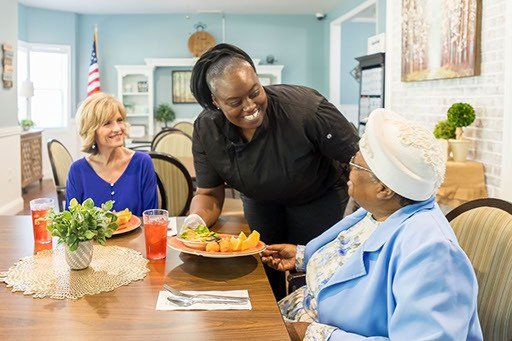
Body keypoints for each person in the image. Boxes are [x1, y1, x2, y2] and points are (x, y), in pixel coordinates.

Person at [261, 109, 483, 340]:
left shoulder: (433, 253)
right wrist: (303, 256)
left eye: (357, 166)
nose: (349, 169)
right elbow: (353, 253)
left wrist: (317, 335)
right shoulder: (382, 211)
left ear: (384, 189)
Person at [186, 43, 359, 299]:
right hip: (261, 200)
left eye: (254, 91)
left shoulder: (306, 109)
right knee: (264, 275)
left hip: (318, 197)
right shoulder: (206, 129)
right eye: (234, 101)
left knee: (312, 277)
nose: (249, 106)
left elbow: (360, 161)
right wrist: (195, 223)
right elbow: (209, 193)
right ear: (216, 102)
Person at [66, 92, 157, 216]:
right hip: (95, 237)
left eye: (119, 120)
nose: (117, 128)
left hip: (137, 236)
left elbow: (151, 217)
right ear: (91, 130)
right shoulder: (77, 171)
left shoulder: (142, 163)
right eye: (107, 123)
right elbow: (72, 223)